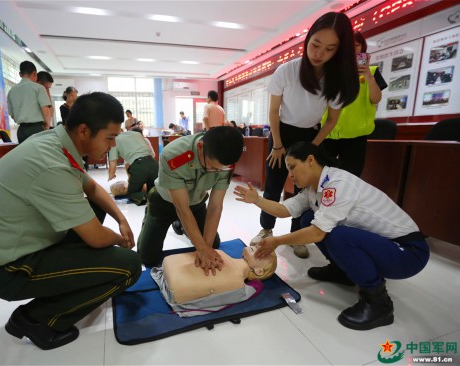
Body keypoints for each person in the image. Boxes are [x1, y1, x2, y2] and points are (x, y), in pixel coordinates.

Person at [0, 92, 142, 350]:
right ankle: (36, 319)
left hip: (21, 245)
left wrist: (121, 219)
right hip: (7, 269)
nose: (113, 146)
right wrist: (121, 240)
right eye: (110, 138)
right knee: (129, 267)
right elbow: (94, 236)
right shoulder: (50, 162)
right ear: (84, 131)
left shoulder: (55, 143)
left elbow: (91, 188)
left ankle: (73, 273)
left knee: (93, 210)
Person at [234, 142, 429, 330]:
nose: (290, 175)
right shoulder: (314, 188)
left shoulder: (338, 183)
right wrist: (257, 199)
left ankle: (379, 303)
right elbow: (284, 210)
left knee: (337, 235)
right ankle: (342, 271)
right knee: (308, 217)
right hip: (387, 246)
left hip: (408, 253)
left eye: (293, 167)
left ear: (310, 160)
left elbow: (318, 233)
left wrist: (276, 241)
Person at [250, 12, 360, 259]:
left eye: (330, 49)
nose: (319, 53)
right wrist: (277, 146)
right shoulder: (287, 71)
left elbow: (331, 120)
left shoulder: (337, 80)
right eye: (315, 44)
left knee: (304, 191)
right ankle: (266, 229)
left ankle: (295, 236)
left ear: (339, 51)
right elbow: (273, 111)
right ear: (307, 40)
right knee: (274, 184)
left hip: (310, 137)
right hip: (281, 133)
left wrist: (313, 146)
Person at [137, 126, 244, 275]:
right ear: (200, 147)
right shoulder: (174, 155)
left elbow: (215, 206)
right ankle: (157, 218)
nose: (216, 171)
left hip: (196, 204)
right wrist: (200, 248)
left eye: (221, 169)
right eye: (212, 167)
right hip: (163, 203)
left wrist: (206, 248)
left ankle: (181, 226)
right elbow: (182, 208)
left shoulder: (225, 163)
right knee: (147, 257)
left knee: (213, 244)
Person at [320, 31, 388, 177]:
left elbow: (376, 99)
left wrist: (368, 76)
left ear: (362, 47)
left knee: (351, 179)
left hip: (356, 136)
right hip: (328, 133)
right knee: (321, 176)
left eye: (356, 45)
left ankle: (346, 201)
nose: (351, 48)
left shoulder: (372, 71)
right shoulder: (331, 72)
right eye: (347, 45)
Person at [151, 246, 277, 316]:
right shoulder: (220, 253)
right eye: (262, 247)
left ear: (259, 271)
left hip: (176, 285)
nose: (260, 247)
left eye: (264, 253)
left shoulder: (236, 282)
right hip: (172, 276)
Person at [108, 127, 158, 205]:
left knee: (131, 194)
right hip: (154, 163)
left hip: (139, 166)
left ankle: (147, 197)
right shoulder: (136, 134)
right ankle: (154, 197)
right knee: (153, 190)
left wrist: (111, 175)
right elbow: (151, 152)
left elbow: (113, 163)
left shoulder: (114, 141)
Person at [7, 61, 52, 143]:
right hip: (36, 129)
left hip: (21, 131)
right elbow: (45, 110)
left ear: (20, 74)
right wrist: (47, 125)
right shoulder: (38, 88)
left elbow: (12, 115)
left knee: (26, 155)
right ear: (35, 73)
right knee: (39, 155)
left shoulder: (11, 91)